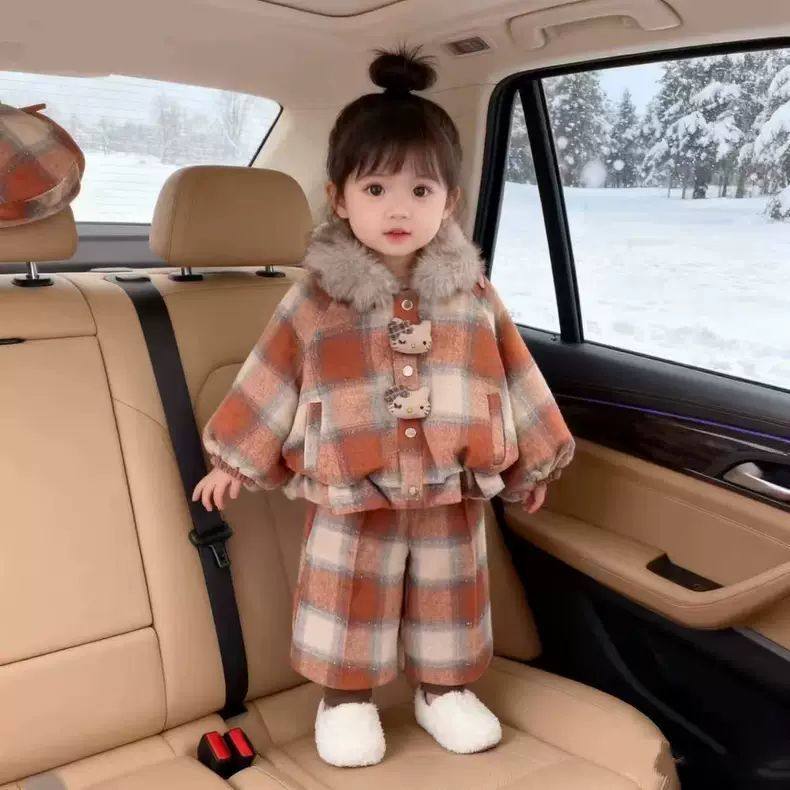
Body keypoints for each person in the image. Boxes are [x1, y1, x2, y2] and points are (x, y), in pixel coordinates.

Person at [192, 43, 575, 768]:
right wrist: (234, 459)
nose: (399, 208)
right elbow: (270, 377)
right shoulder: (315, 300)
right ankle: (345, 701)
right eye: (375, 189)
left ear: (449, 202)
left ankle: (443, 691)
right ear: (339, 198)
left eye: (421, 190)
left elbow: (514, 376)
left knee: (451, 596)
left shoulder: (473, 296)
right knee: (346, 600)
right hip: (351, 490)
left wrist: (536, 459)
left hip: (451, 488)